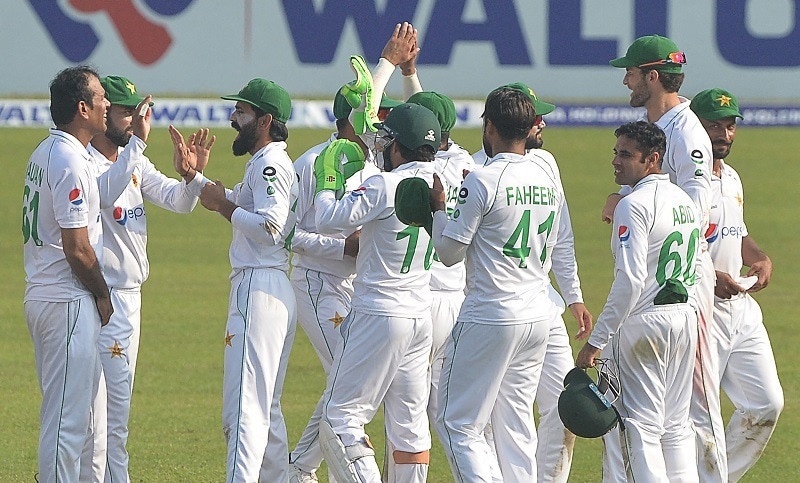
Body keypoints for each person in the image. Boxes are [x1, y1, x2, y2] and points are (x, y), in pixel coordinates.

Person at [287, 24, 420, 483]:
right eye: (377, 113)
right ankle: (297, 471)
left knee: (348, 387)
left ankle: (296, 470)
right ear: (353, 117)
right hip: (316, 283)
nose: (384, 123)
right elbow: (287, 234)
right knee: (350, 387)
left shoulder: (372, 163)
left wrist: (403, 70)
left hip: (357, 289)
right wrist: (342, 245)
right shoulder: (313, 162)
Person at [81, 75, 215, 483]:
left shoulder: (134, 160)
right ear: (104, 114)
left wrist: (191, 177)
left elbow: (176, 201)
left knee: (113, 421)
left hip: (129, 302)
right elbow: (105, 193)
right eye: (127, 113)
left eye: (141, 112)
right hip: (98, 299)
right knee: (95, 420)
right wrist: (137, 144)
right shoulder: (85, 162)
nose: (137, 120)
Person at [22, 66, 151, 483]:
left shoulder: (45, 152)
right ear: (82, 108)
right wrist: (102, 294)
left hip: (43, 293)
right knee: (68, 424)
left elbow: (103, 194)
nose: (108, 105)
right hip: (66, 298)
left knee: (73, 420)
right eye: (100, 99)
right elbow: (78, 248)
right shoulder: (72, 161)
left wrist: (136, 148)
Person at [429, 86, 563, 481]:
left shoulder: (483, 179)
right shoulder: (546, 176)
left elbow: (449, 254)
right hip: (538, 313)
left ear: (489, 126)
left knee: (458, 423)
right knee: (516, 424)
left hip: (491, 314)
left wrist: (439, 209)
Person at [604, 34, 716, 482]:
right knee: (673, 420)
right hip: (661, 277)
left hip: (675, 280)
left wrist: (629, 206)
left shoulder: (687, 130)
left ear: (652, 76)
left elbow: (697, 211)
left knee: (691, 410)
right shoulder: (661, 127)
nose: (626, 80)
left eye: (630, 72)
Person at [472, 82, 594, 482]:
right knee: (496, 419)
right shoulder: (476, 171)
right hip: (493, 311)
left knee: (565, 407)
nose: (541, 124)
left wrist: (574, 295)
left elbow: (562, 235)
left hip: (544, 309)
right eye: (535, 117)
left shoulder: (546, 164)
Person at [313, 103, 441, 482]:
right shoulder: (445, 177)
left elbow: (327, 219)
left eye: (387, 141)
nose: (381, 147)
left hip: (379, 312)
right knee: (410, 427)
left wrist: (327, 180)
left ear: (399, 146)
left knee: (340, 418)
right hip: (421, 313)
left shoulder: (385, 184)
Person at [576, 121, 700, 482]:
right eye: (616, 152)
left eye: (626, 155)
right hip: (683, 317)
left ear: (653, 159)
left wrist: (595, 341)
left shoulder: (634, 205)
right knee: (676, 426)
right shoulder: (684, 200)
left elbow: (629, 281)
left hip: (645, 322)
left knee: (640, 427)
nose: (616, 161)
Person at [196, 78, 298, 482]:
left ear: (265, 119)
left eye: (242, 112)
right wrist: (194, 177)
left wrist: (223, 207)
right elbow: (232, 200)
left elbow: (272, 226)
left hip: (258, 289)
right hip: (270, 289)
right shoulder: (261, 162)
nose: (233, 119)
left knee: (243, 411)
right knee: (266, 410)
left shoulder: (271, 163)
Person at [690, 88, 783, 481]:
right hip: (701, 312)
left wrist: (758, 256)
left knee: (766, 405)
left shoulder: (730, 176)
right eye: (714, 125)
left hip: (741, 310)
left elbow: (736, 231)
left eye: (730, 126)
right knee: (700, 420)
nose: (724, 135)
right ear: (694, 127)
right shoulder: (684, 183)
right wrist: (711, 278)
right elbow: (671, 246)